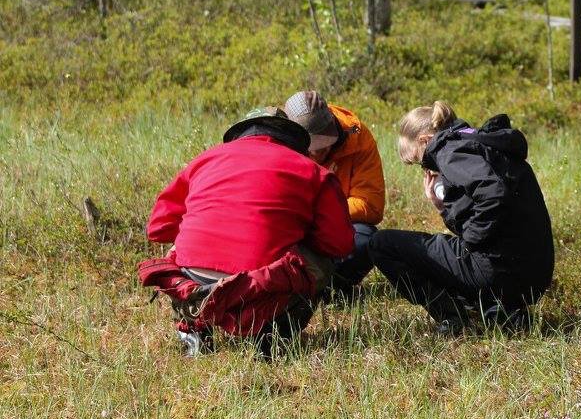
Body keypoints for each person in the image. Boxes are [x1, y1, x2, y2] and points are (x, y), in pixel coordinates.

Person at [137, 107, 355, 357]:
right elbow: (339, 244)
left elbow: (158, 228)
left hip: (190, 277)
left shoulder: (205, 159)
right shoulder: (315, 172)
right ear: (292, 139)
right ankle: (272, 339)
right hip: (261, 284)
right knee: (320, 263)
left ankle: (193, 327)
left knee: (178, 246)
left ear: (242, 133)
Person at [368, 101, 554, 333]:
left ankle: (453, 316)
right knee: (454, 249)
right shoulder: (480, 143)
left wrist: (471, 240)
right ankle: (500, 310)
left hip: (498, 273)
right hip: (534, 277)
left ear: (426, 141)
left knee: (381, 244)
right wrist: (443, 207)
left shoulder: (450, 152)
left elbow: (495, 194)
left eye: (421, 161)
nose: (427, 169)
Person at [283, 90, 386, 292]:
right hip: (291, 228)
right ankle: (290, 283)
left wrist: (317, 212)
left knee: (367, 238)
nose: (316, 152)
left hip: (332, 226)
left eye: (322, 145)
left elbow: (371, 206)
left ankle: (331, 287)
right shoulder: (279, 138)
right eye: (310, 147)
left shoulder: (358, 138)